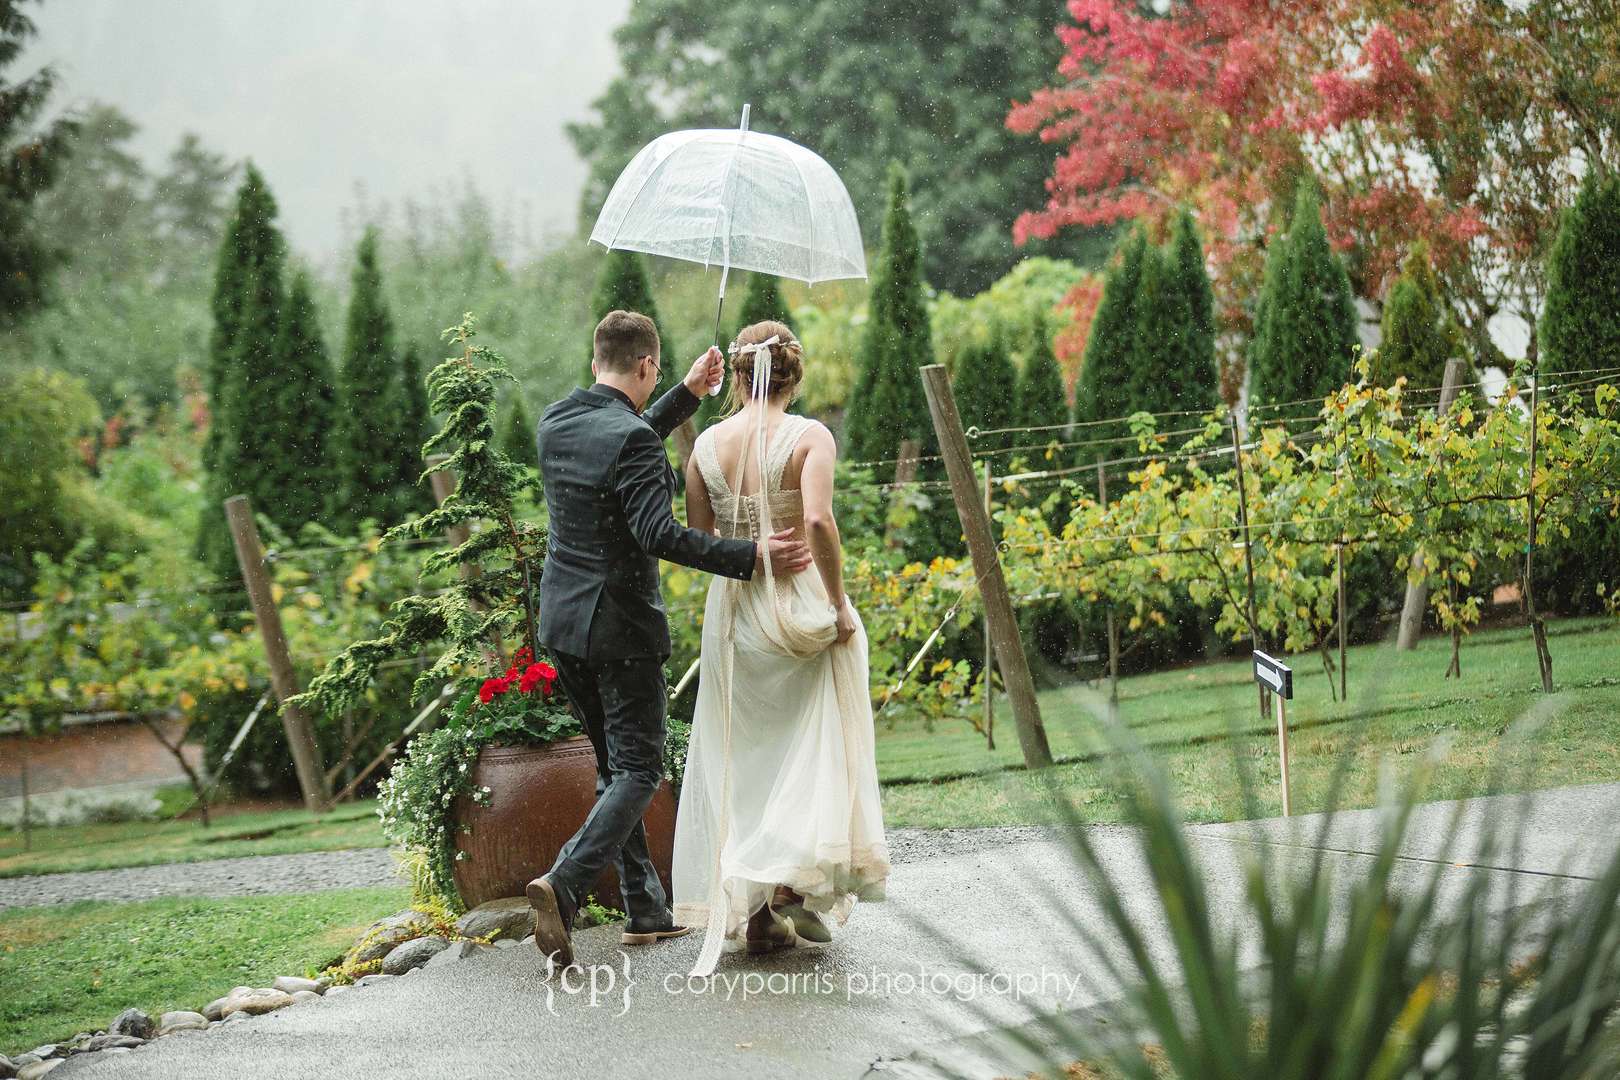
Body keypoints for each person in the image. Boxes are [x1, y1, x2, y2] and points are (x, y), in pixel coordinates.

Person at [526, 309, 812, 973]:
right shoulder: (629, 440)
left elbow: (624, 442)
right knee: (637, 771)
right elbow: (659, 534)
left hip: (563, 626)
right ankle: (563, 883)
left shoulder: (558, 420)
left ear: (599, 357)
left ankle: (644, 909)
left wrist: (683, 396)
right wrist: (752, 555)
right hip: (619, 631)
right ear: (645, 364)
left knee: (611, 767)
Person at [671, 320, 890, 976]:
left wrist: (748, 549)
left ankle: (759, 918)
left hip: (735, 613)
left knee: (746, 756)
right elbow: (818, 521)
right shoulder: (809, 436)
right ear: (793, 377)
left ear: (738, 376)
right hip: (796, 600)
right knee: (813, 743)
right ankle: (794, 884)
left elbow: (701, 540)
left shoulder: (705, 447)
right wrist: (838, 603)